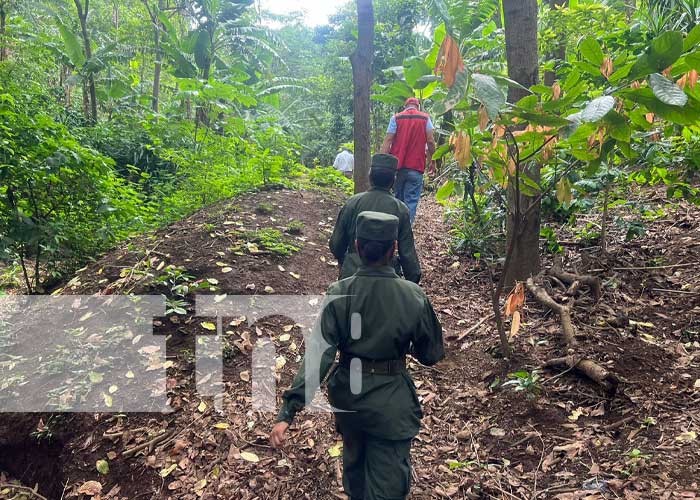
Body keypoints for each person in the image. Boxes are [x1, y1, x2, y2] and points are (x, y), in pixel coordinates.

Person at [270, 211, 444, 500]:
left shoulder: (339, 292)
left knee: (355, 471)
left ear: (358, 247)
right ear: (394, 249)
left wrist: (288, 411)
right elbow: (432, 354)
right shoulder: (413, 295)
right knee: (387, 485)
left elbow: (319, 355)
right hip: (391, 405)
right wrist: (408, 345)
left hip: (349, 400)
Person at [329, 153, 421, 284]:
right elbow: (407, 254)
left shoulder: (352, 203)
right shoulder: (401, 209)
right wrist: (412, 282)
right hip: (388, 278)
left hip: (352, 275)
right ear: (393, 180)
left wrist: (346, 262)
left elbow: (336, 245)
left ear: (370, 176)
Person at [380, 97, 437, 223]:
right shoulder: (425, 118)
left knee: (397, 200)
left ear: (405, 106)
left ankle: (393, 231)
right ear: (418, 106)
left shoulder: (396, 118)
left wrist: (382, 162)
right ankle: (405, 233)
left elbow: (388, 140)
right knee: (410, 202)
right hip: (416, 167)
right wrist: (433, 160)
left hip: (397, 167)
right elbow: (431, 141)